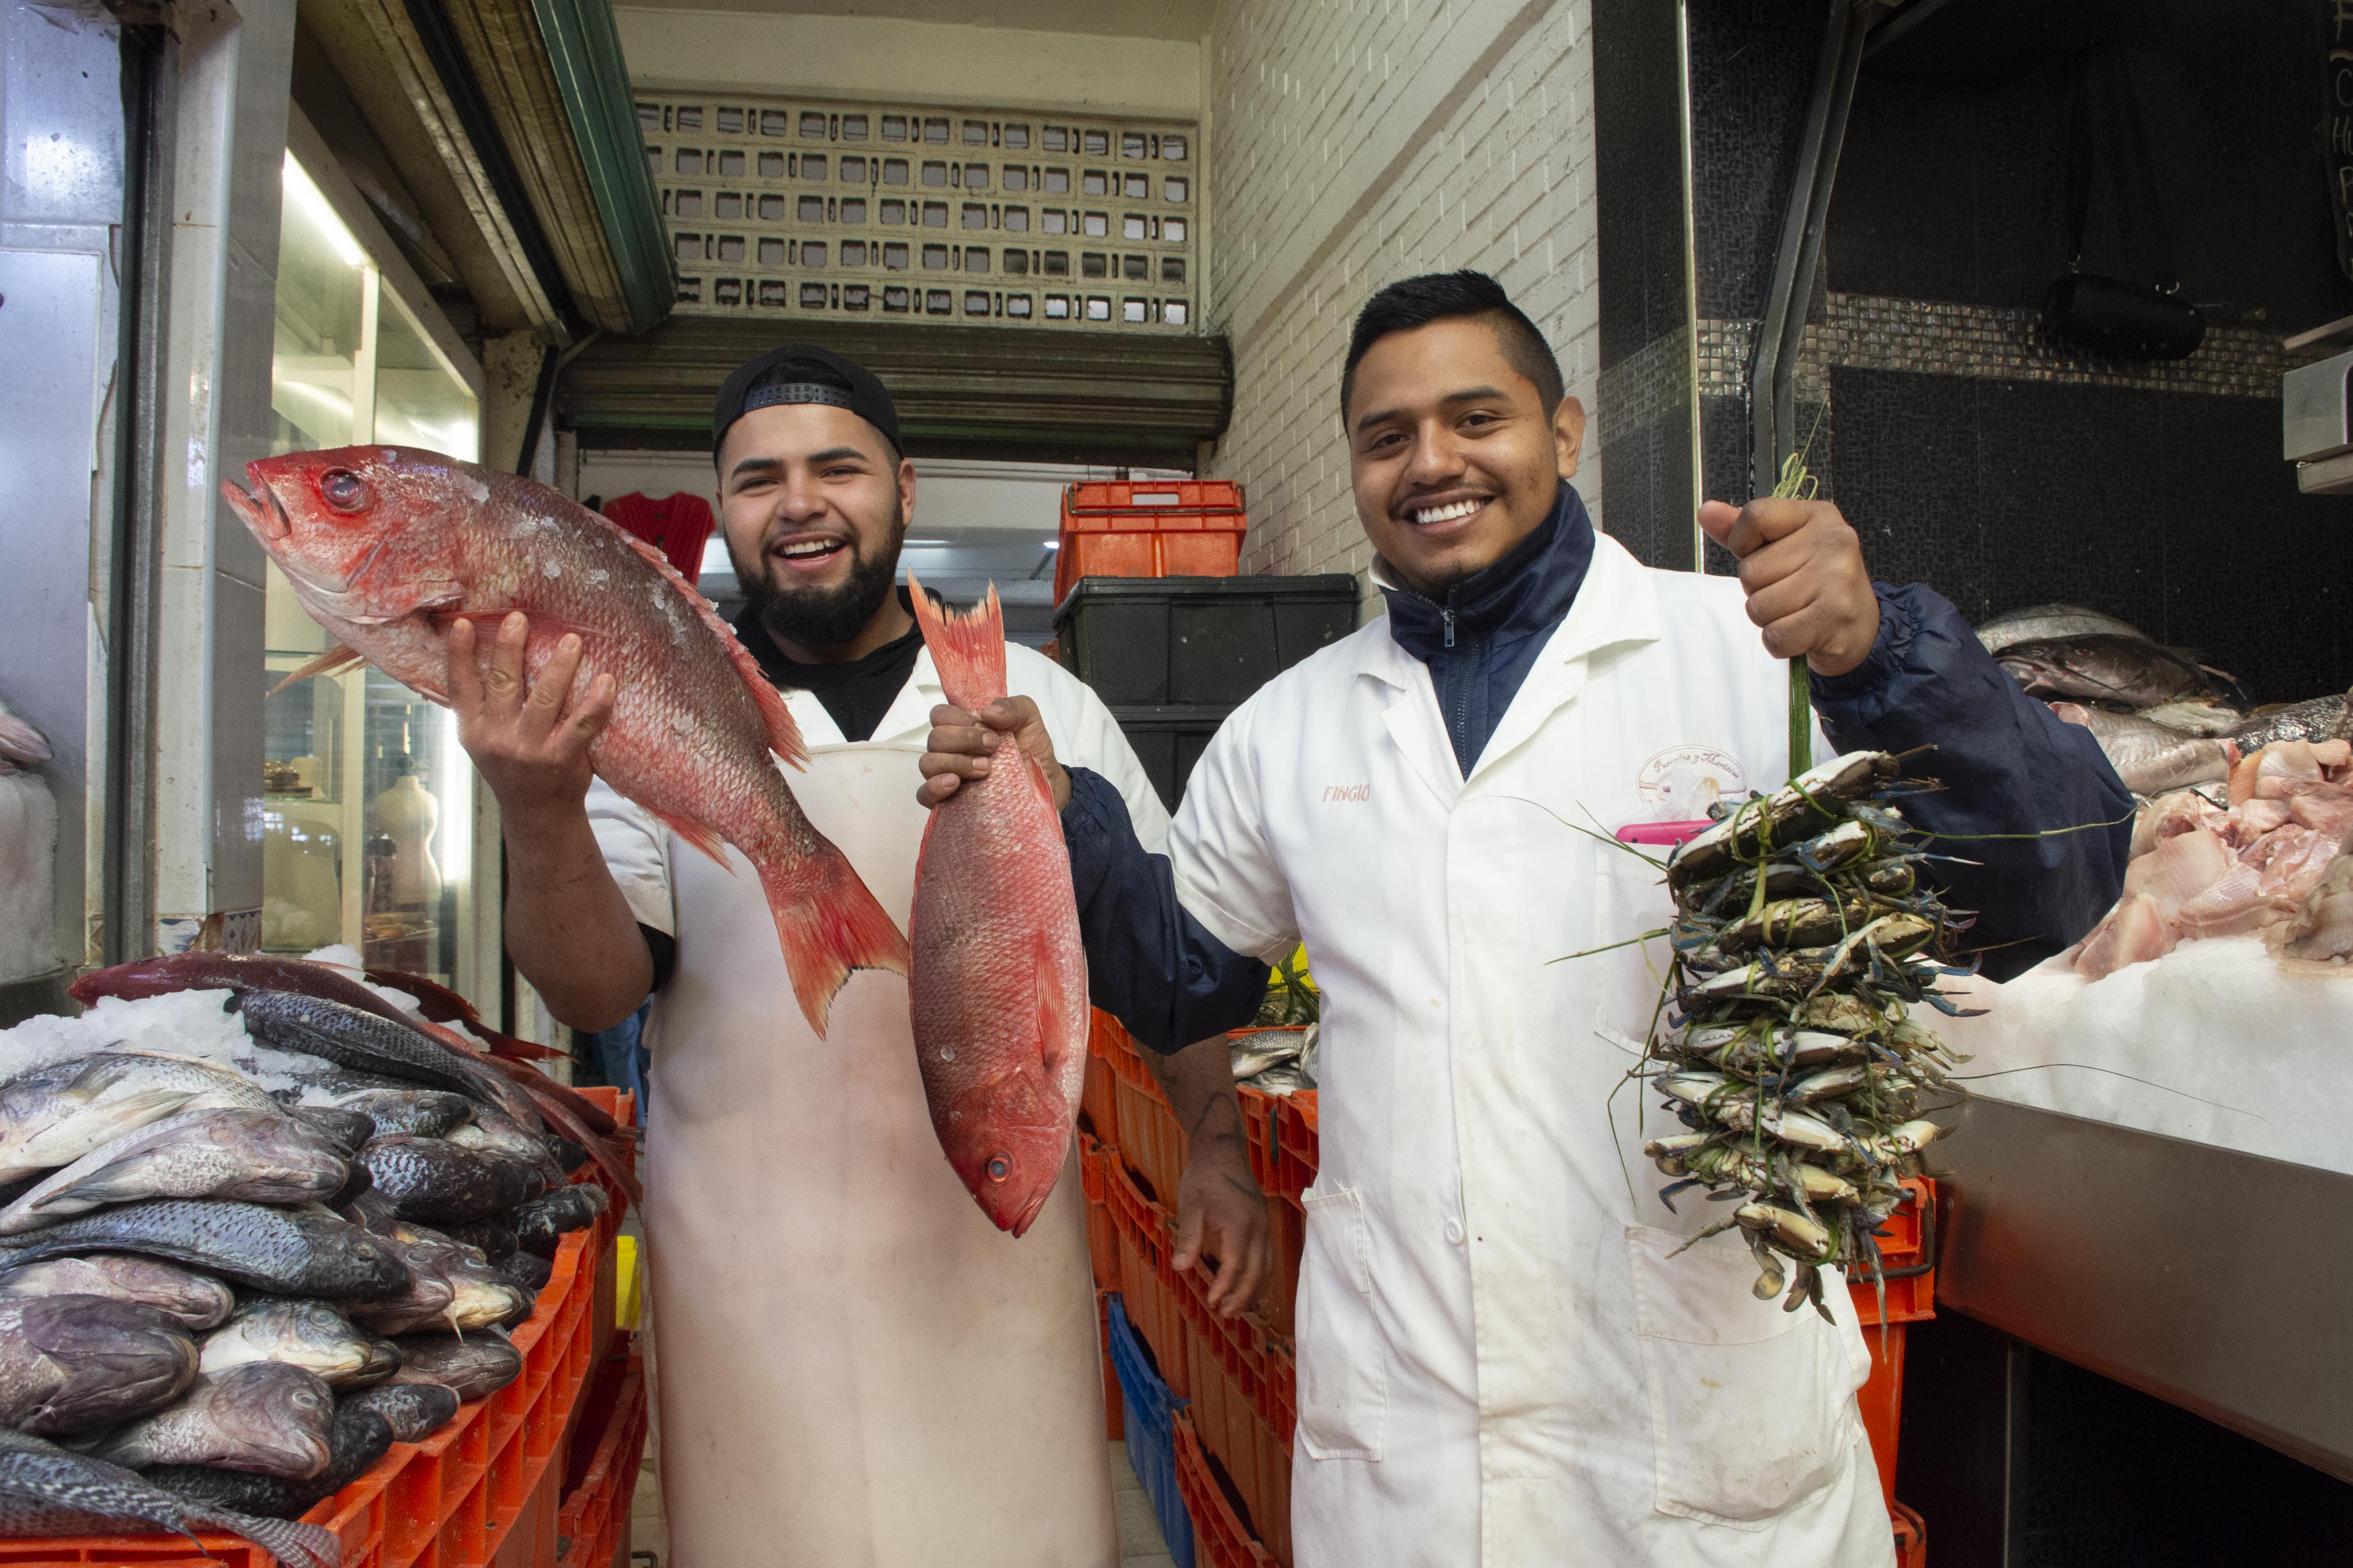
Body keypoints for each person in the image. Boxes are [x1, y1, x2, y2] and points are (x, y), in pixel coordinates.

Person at [918, 272, 2131, 1567]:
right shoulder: (1291, 728)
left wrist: (1885, 650)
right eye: (1387, 437)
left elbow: (2053, 884)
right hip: (1415, 1465)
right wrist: (1064, 814)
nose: (1431, 461)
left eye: (1474, 418)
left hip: (1700, 1457)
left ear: (1564, 430)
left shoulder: (1754, 644)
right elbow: (1178, 984)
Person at [446, 345, 1268, 1565]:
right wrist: (539, 808)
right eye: (760, 476)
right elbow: (594, 985)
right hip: (742, 1289)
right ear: (725, 507)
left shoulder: (1035, 696)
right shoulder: (653, 712)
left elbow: (1156, 938)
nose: (801, 503)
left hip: (989, 1251)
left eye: (839, 467)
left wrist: (1216, 1145)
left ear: (906, 486)